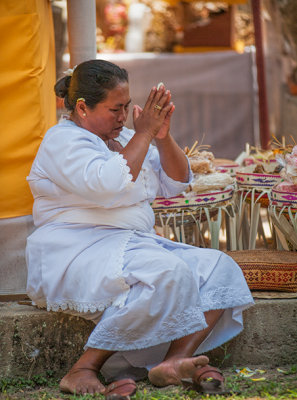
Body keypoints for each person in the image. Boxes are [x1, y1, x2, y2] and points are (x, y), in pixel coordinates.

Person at [26, 59, 254, 397]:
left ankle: (174, 361)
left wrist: (161, 137)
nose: (123, 117)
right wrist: (145, 133)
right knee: (168, 273)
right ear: (82, 108)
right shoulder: (62, 141)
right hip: (76, 249)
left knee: (218, 268)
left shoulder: (128, 138)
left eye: (126, 107)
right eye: (114, 109)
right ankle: (82, 369)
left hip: (132, 245)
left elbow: (176, 183)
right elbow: (106, 184)